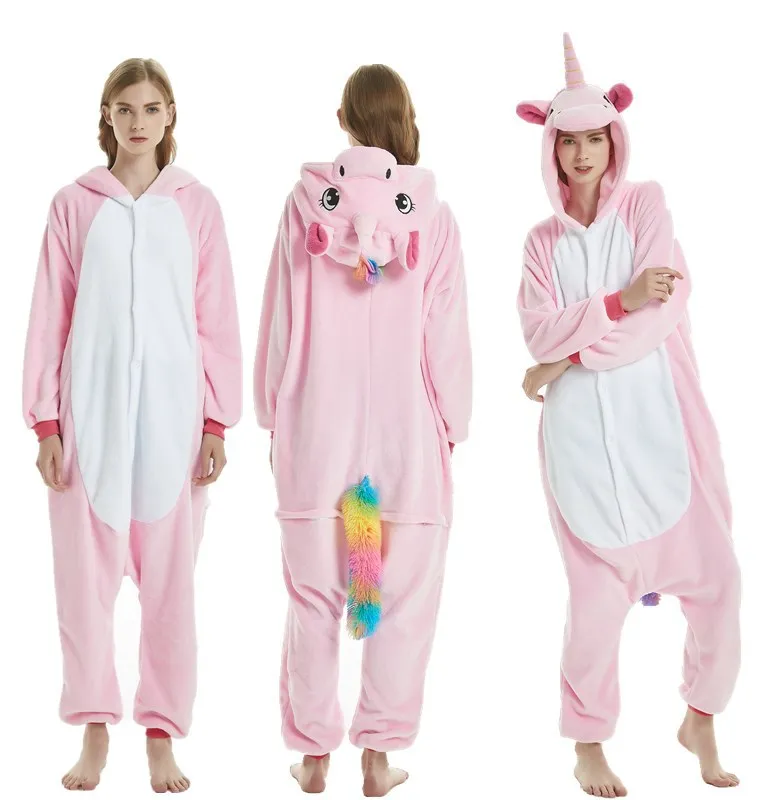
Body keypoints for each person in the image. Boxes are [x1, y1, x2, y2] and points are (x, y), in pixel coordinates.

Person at [516, 34, 741, 796]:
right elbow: (538, 331)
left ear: (615, 139)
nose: (581, 154)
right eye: (567, 141)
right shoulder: (541, 245)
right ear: (550, 148)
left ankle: (700, 716)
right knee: (592, 610)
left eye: (594, 138)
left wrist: (564, 361)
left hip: (661, 430)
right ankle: (588, 744)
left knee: (720, 582)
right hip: (580, 447)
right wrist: (614, 303)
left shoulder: (646, 205)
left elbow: (658, 313)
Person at [22, 58, 242, 793]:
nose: (138, 121)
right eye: (125, 109)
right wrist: (46, 423)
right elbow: (49, 315)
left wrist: (215, 419)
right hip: (89, 420)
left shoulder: (197, 206)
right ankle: (93, 728)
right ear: (107, 116)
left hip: (173, 425)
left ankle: (160, 736)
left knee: (171, 589)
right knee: (83, 587)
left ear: (170, 114)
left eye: (151, 108)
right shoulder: (74, 205)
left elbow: (216, 318)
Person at [254, 64, 472, 796]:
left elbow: (281, 319)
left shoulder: (304, 206)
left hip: (317, 427)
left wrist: (273, 413)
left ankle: (315, 754)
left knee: (315, 598)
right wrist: (452, 422)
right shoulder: (432, 215)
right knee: (399, 601)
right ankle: (377, 756)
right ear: (405, 120)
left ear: (343, 120)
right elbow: (446, 335)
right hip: (407, 435)